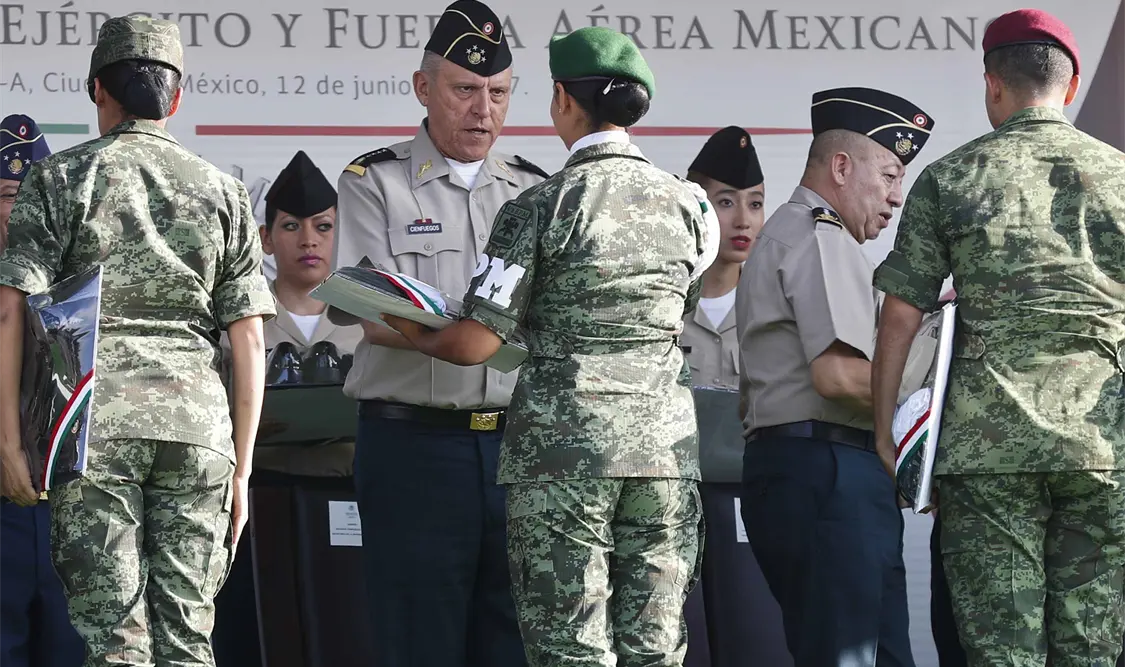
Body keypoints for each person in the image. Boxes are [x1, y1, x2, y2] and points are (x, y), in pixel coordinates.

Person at [381, 25, 717, 667]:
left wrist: (399, 319)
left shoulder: (540, 206)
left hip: (565, 457)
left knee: (571, 645)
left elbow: (474, 343)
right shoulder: (692, 207)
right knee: (654, 647)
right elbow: (681, 314)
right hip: (665, 454)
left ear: (562, 99)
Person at [0, 15, 274, 667]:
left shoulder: (61, 179)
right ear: (176, 96)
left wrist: (9, 441)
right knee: (185, 636)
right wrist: (243, 467)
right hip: (200, 436)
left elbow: (12, 309)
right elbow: (250, 342)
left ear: (98, 90)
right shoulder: (225, 191)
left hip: (96, 432)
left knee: (116, 638)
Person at [871, 8, 1125, 665]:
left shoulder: (950, 177)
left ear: (992, 84)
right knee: (1092, 646)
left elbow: (899, 314)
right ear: (1067, 88)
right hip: (1100, 449)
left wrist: (883, 431)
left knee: (1000, 651)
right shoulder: (1121, 178)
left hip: (986, 456)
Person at [329, 1, 547, 664]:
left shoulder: (536, 191)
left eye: (498, 94)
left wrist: (457, 323)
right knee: (420, 641)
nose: (483, 110)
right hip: (414, 447)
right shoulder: (375, 182)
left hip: (518, 449)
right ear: (424, 89)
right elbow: (366, 304)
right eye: (465, 90)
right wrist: (472, 332)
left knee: (515, 641)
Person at [735, 86, 935, 667]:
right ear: (841, 167)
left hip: (826, 472)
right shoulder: (821, 236)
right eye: (890, 174)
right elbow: (840, 375)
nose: (897, 197)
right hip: (826, 473)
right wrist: (931, 401)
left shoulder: (817, 237)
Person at [212, 150, 362, 667]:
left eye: (323, 226)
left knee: (343, 633)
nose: (309, 240)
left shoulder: (370, 319)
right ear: (266, 237)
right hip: (262, 500)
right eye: (291, 226)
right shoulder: (242, 323)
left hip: (346, 496)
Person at [678, 125, 791, 667]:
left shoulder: (782, 299)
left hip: (755, 500)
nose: (743, 220)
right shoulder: (662, 298)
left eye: (755, 204)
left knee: (759, 642)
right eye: (724, 202)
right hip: (673, 502)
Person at [0, 114, 85, 667]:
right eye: (10, 194)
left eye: (34, 195)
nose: (22, 209)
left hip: (70, 510)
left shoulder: (81, 295)